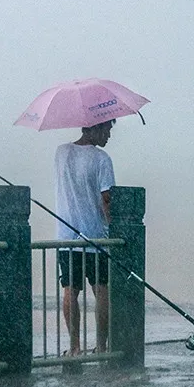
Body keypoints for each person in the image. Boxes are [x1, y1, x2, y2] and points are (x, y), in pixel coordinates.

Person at [55, 119, 115, 355]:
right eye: (107, 130)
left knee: (70, 289)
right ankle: (101, 347)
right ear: (96, 128)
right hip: (95, 236)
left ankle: (75, 347)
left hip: (66, 236)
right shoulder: (102, 159)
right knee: (101, 290)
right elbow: (107, 200)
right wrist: (113, 229)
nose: (109, 135)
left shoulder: (61, 153)